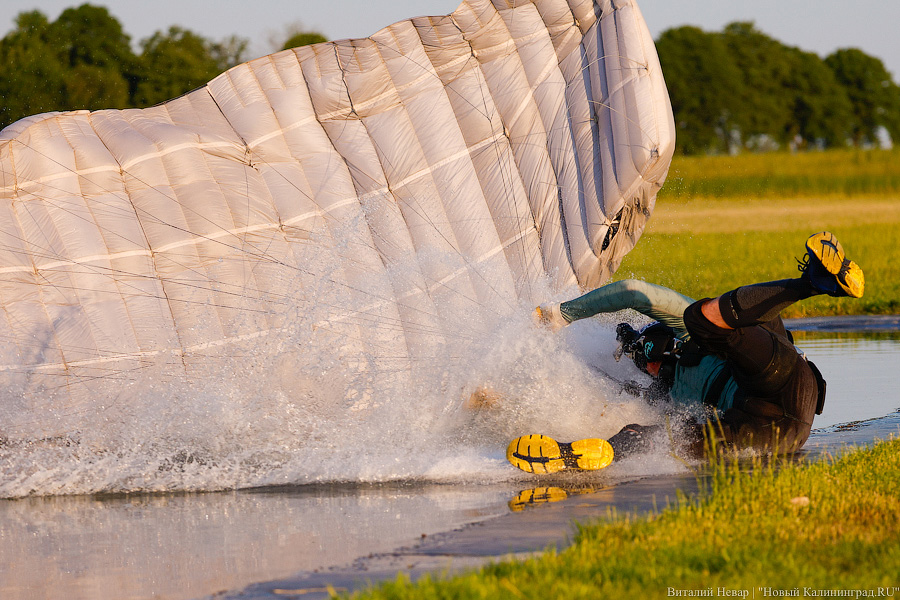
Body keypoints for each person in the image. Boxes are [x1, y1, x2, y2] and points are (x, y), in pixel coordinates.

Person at [511, 231, 865, 472]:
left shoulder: (687, 337)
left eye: (649, 360)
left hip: (776, 399)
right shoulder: (658, 395)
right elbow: (596, 380)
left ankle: (812, 283)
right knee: (652, 435)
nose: (648, 368)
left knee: (708, 321)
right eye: (644, 364)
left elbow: (633, 292)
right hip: (763, 424)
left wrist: (559, 315)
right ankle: (583, 454)